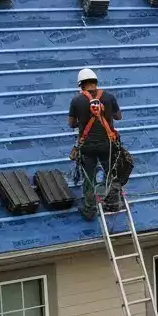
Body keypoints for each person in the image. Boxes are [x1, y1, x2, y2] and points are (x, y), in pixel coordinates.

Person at [68, 68, 131, 220]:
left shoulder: (77, 100)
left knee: (89, 178)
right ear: (95, 82)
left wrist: (83, 120)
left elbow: (71, 124)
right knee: (112, 173)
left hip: (87, 146)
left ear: (81, 84)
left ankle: (90, 210)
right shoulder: (109, 97)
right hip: (107, 145)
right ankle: (113, 203)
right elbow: (119, 117)